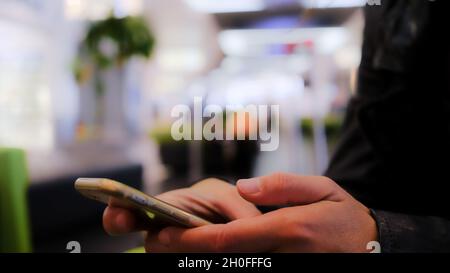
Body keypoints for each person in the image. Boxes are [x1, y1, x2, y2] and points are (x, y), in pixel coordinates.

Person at [103, 0, 450, 253]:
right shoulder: (393, 12)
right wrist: (247, 220)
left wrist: (381, 237)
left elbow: (364, 223)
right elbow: (357, 186)